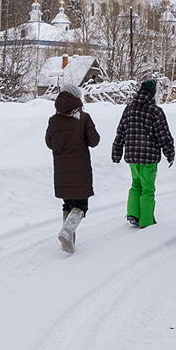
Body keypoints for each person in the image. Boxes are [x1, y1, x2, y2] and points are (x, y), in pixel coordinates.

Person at [110, 79, 176, 228]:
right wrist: (169, 154)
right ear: (153, 93)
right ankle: (146, 221)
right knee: (147, 188)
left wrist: (116, 153)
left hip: (132, 156)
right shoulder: (155, 111)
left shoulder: (129, 109)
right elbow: (163, 135)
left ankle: (133, 213)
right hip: (149, 157)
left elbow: (121, 132)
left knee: (136, 184)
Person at [45, 83, 101, 254]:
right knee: (81, 205)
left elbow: (49, 143)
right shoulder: (83, 118)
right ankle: (67, 232)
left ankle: (68, 241)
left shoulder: (53, 120)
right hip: (80, 169)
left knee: (67, 204)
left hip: (61, 170)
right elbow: (94, 141)